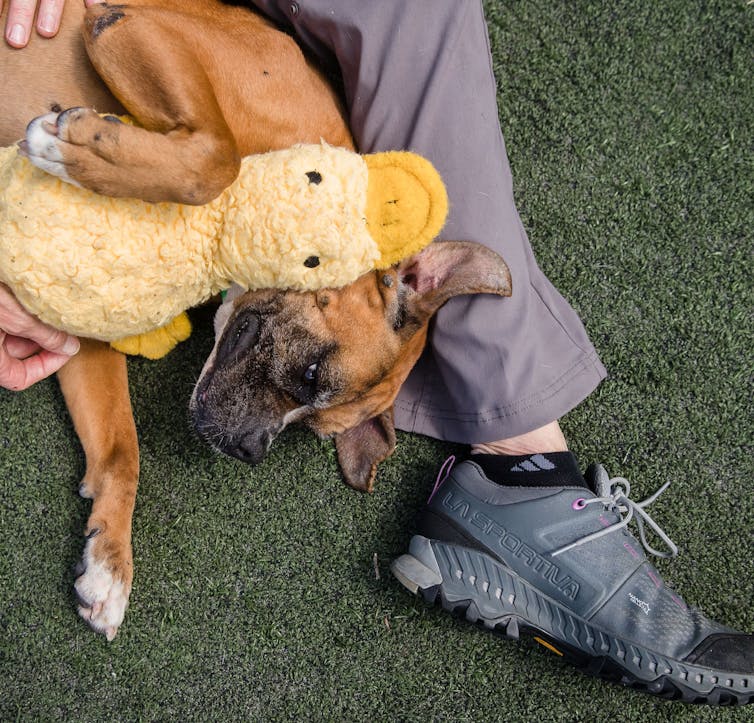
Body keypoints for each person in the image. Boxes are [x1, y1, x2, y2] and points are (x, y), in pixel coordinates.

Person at [4, 0, 752, 704]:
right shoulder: (283, 133)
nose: (260, 430)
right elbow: (117, 25)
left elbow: (79, 311)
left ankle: (519, 468)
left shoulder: (228, 267)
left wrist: (118, 481)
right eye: (305, 376)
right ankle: (522, 470)